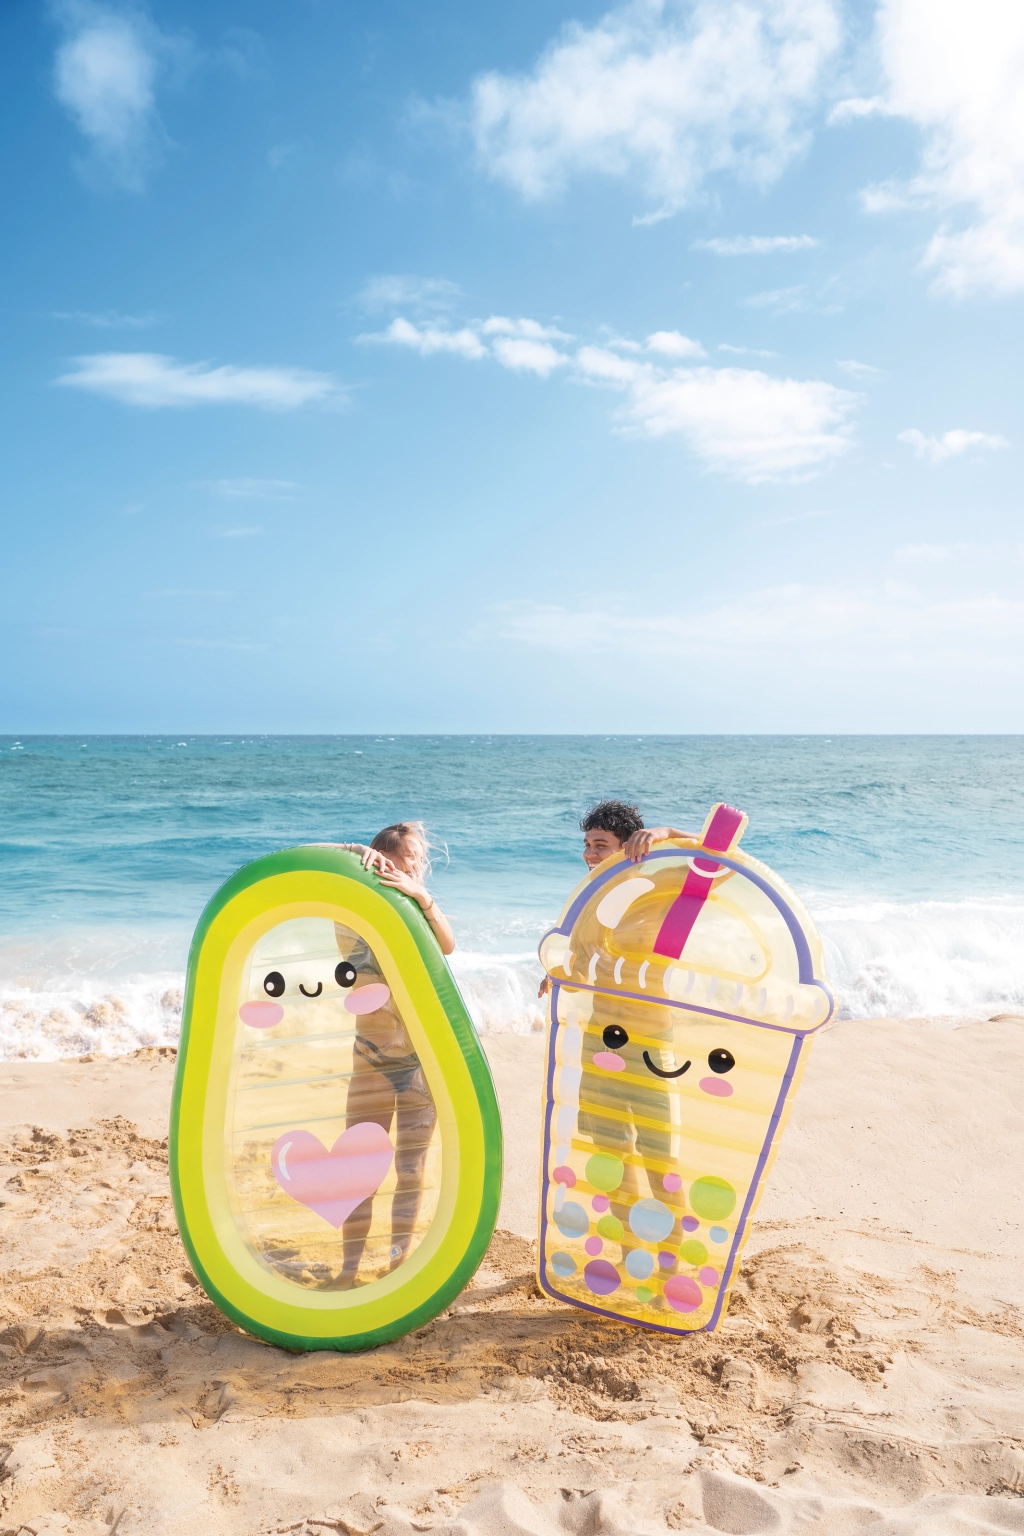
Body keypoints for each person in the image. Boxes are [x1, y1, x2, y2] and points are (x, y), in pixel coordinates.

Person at [324, 822, 453, 1286]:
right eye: (404, 861)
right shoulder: (350, 910)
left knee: (410, 1170)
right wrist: (352, 848)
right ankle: (349, 1269)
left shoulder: (419, 913)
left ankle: (397, 1264)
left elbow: (448, 946)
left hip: (422, 1062)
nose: (413, 869)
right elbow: (302, 858)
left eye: (417, 861)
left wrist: (424, 898)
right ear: (379, 860)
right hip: (372, 1057)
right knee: (360, 1170)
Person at [539, 800, 697, 996]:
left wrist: (669, 832)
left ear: (628, 847)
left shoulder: (658, 888)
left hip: (649, 1014)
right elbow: (580, 973)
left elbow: (724, 862)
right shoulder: (589, 903)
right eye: (587, 845)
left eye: (600, 845)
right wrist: (556, 977)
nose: (589, 854)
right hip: (600, 1016)